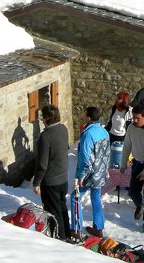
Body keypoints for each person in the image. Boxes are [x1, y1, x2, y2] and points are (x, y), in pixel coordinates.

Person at [32, 104, 73, 242]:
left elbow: (42, 164)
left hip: (50, 182)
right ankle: (67, 233)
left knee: (53, 213)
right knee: (62, 208)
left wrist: (37, 182)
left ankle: (60, 239)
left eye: (42, 117)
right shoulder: (63, 128)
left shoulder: (45, 137)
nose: (42, 119)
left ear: (46, 118)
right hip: (63, 178)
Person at [119, 105, 144, 233]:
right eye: (133, 118)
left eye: (137, 118)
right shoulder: (131, 128)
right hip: (137, 162)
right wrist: (123, 163)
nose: (135, 121)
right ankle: (140, 205)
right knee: (133, 191)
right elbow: (127, 146)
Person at [75, 106, 110, 239]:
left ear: (89, 118)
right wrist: (105, 170)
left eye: (84, 115)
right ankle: (98, 227)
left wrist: (80, 176)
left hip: (89, 174)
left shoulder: (88, 134)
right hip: (100, 172)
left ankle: (76, 227)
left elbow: (84, 157)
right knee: (96, 199)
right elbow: (107, 154)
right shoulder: (104, 132)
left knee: (75, 198)